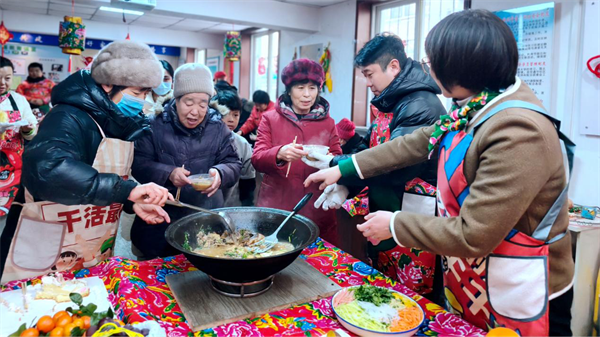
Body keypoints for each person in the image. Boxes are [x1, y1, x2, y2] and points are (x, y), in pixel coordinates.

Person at [305, 9, 574, 336]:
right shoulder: (474, 106)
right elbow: (415, 143)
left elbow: (474, 234)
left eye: (432, 63)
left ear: (461, 66)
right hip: (476, 278)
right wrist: (342, 168)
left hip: (521, 287)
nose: (427, 71)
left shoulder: (518, 130)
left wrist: (394, 223)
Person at [0, 40, 172, 284]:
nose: (142, 101)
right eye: (136, 93)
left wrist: (130, 201)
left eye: (146, 94)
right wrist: (127, 190)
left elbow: (101, 175)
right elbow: (48, 169)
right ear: (108, 84)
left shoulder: (116, 120)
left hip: (89, 239)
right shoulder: (68, 116)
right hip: (45, 240)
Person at [303, 34, 445, 295]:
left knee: (413, 294)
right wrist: (347, 182)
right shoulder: (392, 100)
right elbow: (373, 150)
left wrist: (339, 168)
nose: (367, 83)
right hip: (388, 206)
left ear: (393, 66)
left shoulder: (420, 105)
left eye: (370, 75)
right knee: (386, 287)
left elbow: (396, 165)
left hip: (411, 211)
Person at [131, 63, 241, 259]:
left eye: (203, 103)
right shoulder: (154, 124)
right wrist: (169, 173)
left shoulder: (217, 127)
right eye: (189, 102)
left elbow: (233, 162)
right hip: (160, 220)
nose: (196, 111)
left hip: (205, 218)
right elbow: (138, 164)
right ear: (176, 98)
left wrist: (220, 173)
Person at [251, 59, 342, 245]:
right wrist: (279, 153)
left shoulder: (328, 123)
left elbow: (338, 158)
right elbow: (257, 158)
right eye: (300, 88)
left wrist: (330, 159)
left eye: (312, 88)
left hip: (315, 202)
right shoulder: (270, 119)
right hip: (278, 203)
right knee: (274, 254)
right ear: (289, 90)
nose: (307, 95)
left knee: (318, 260)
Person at [0, 57, 38, 216]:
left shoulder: (19, 100)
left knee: (7, 210)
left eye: (7, 78)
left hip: (12, 167)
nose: (2, 83)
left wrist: (28, 129)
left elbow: (31, 135)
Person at [210, 90, 256, 206]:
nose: (231, 119)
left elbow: (248, 181)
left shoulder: (242, 144)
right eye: (225, 114)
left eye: (235, 115)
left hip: (230, 205)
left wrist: (247, 206)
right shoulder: (205, 141)